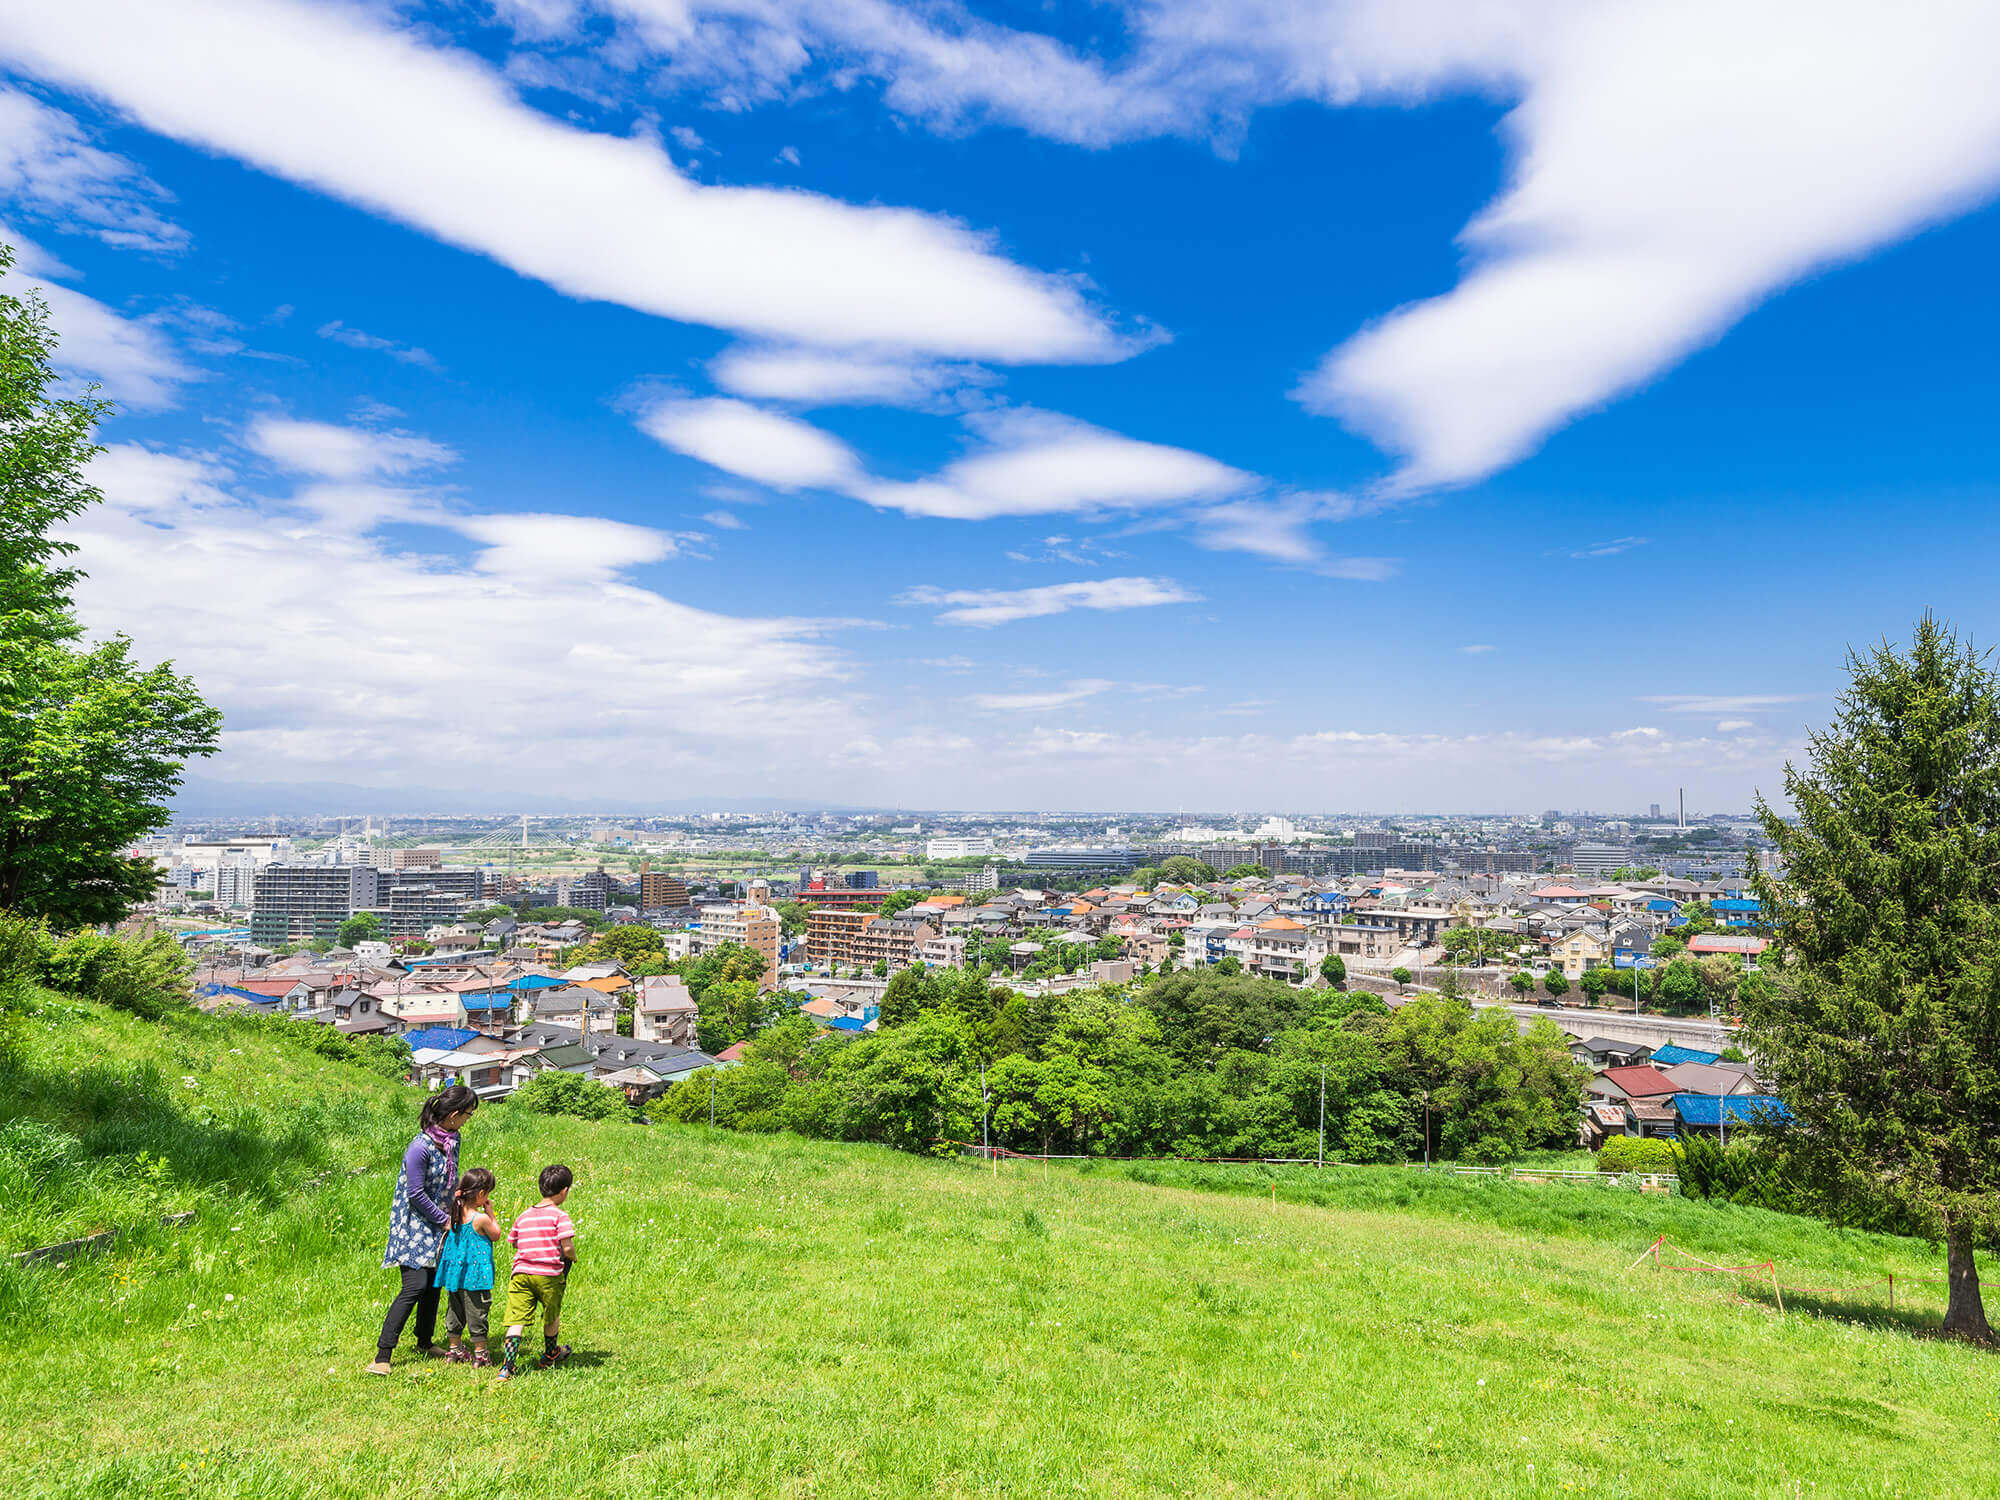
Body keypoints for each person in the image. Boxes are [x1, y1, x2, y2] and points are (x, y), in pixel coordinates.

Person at [366, 1084, 479, 1375]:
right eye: (467, 1114)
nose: (468, 1119)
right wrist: (443, 1219)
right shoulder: (419, 1148)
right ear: (454, 1114)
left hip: (440, 1222)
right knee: (414, 1286)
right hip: (414, 1225)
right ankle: (383, 1355)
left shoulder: (453, 1139)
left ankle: (425, 1342)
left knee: (433, 1284)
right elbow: (415, 1194)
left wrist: (460, 1206)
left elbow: (449, 1181)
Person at [496, 1163, 575, 1382]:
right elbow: (567, 1247)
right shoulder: (560, 1216)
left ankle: (507, 1367)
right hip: (548, 1275)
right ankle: (550, 1354)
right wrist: (572, 1257)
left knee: (517, 1320)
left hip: (521, 1274)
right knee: (551, 1315)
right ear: (564, 1191)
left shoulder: (524, 1216)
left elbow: (514, 1242)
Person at [435, 1168, 502, 1366]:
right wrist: (491, 1213)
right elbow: (496, 1234)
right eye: (487, 1193)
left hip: (456, 1275)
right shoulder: (479, 1219)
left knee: (454, 1311)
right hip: (475, 1276)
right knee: (477, 1312)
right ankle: (480, 1354)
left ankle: (455, 1350)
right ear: (481, 1194)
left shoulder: (454, 1214)